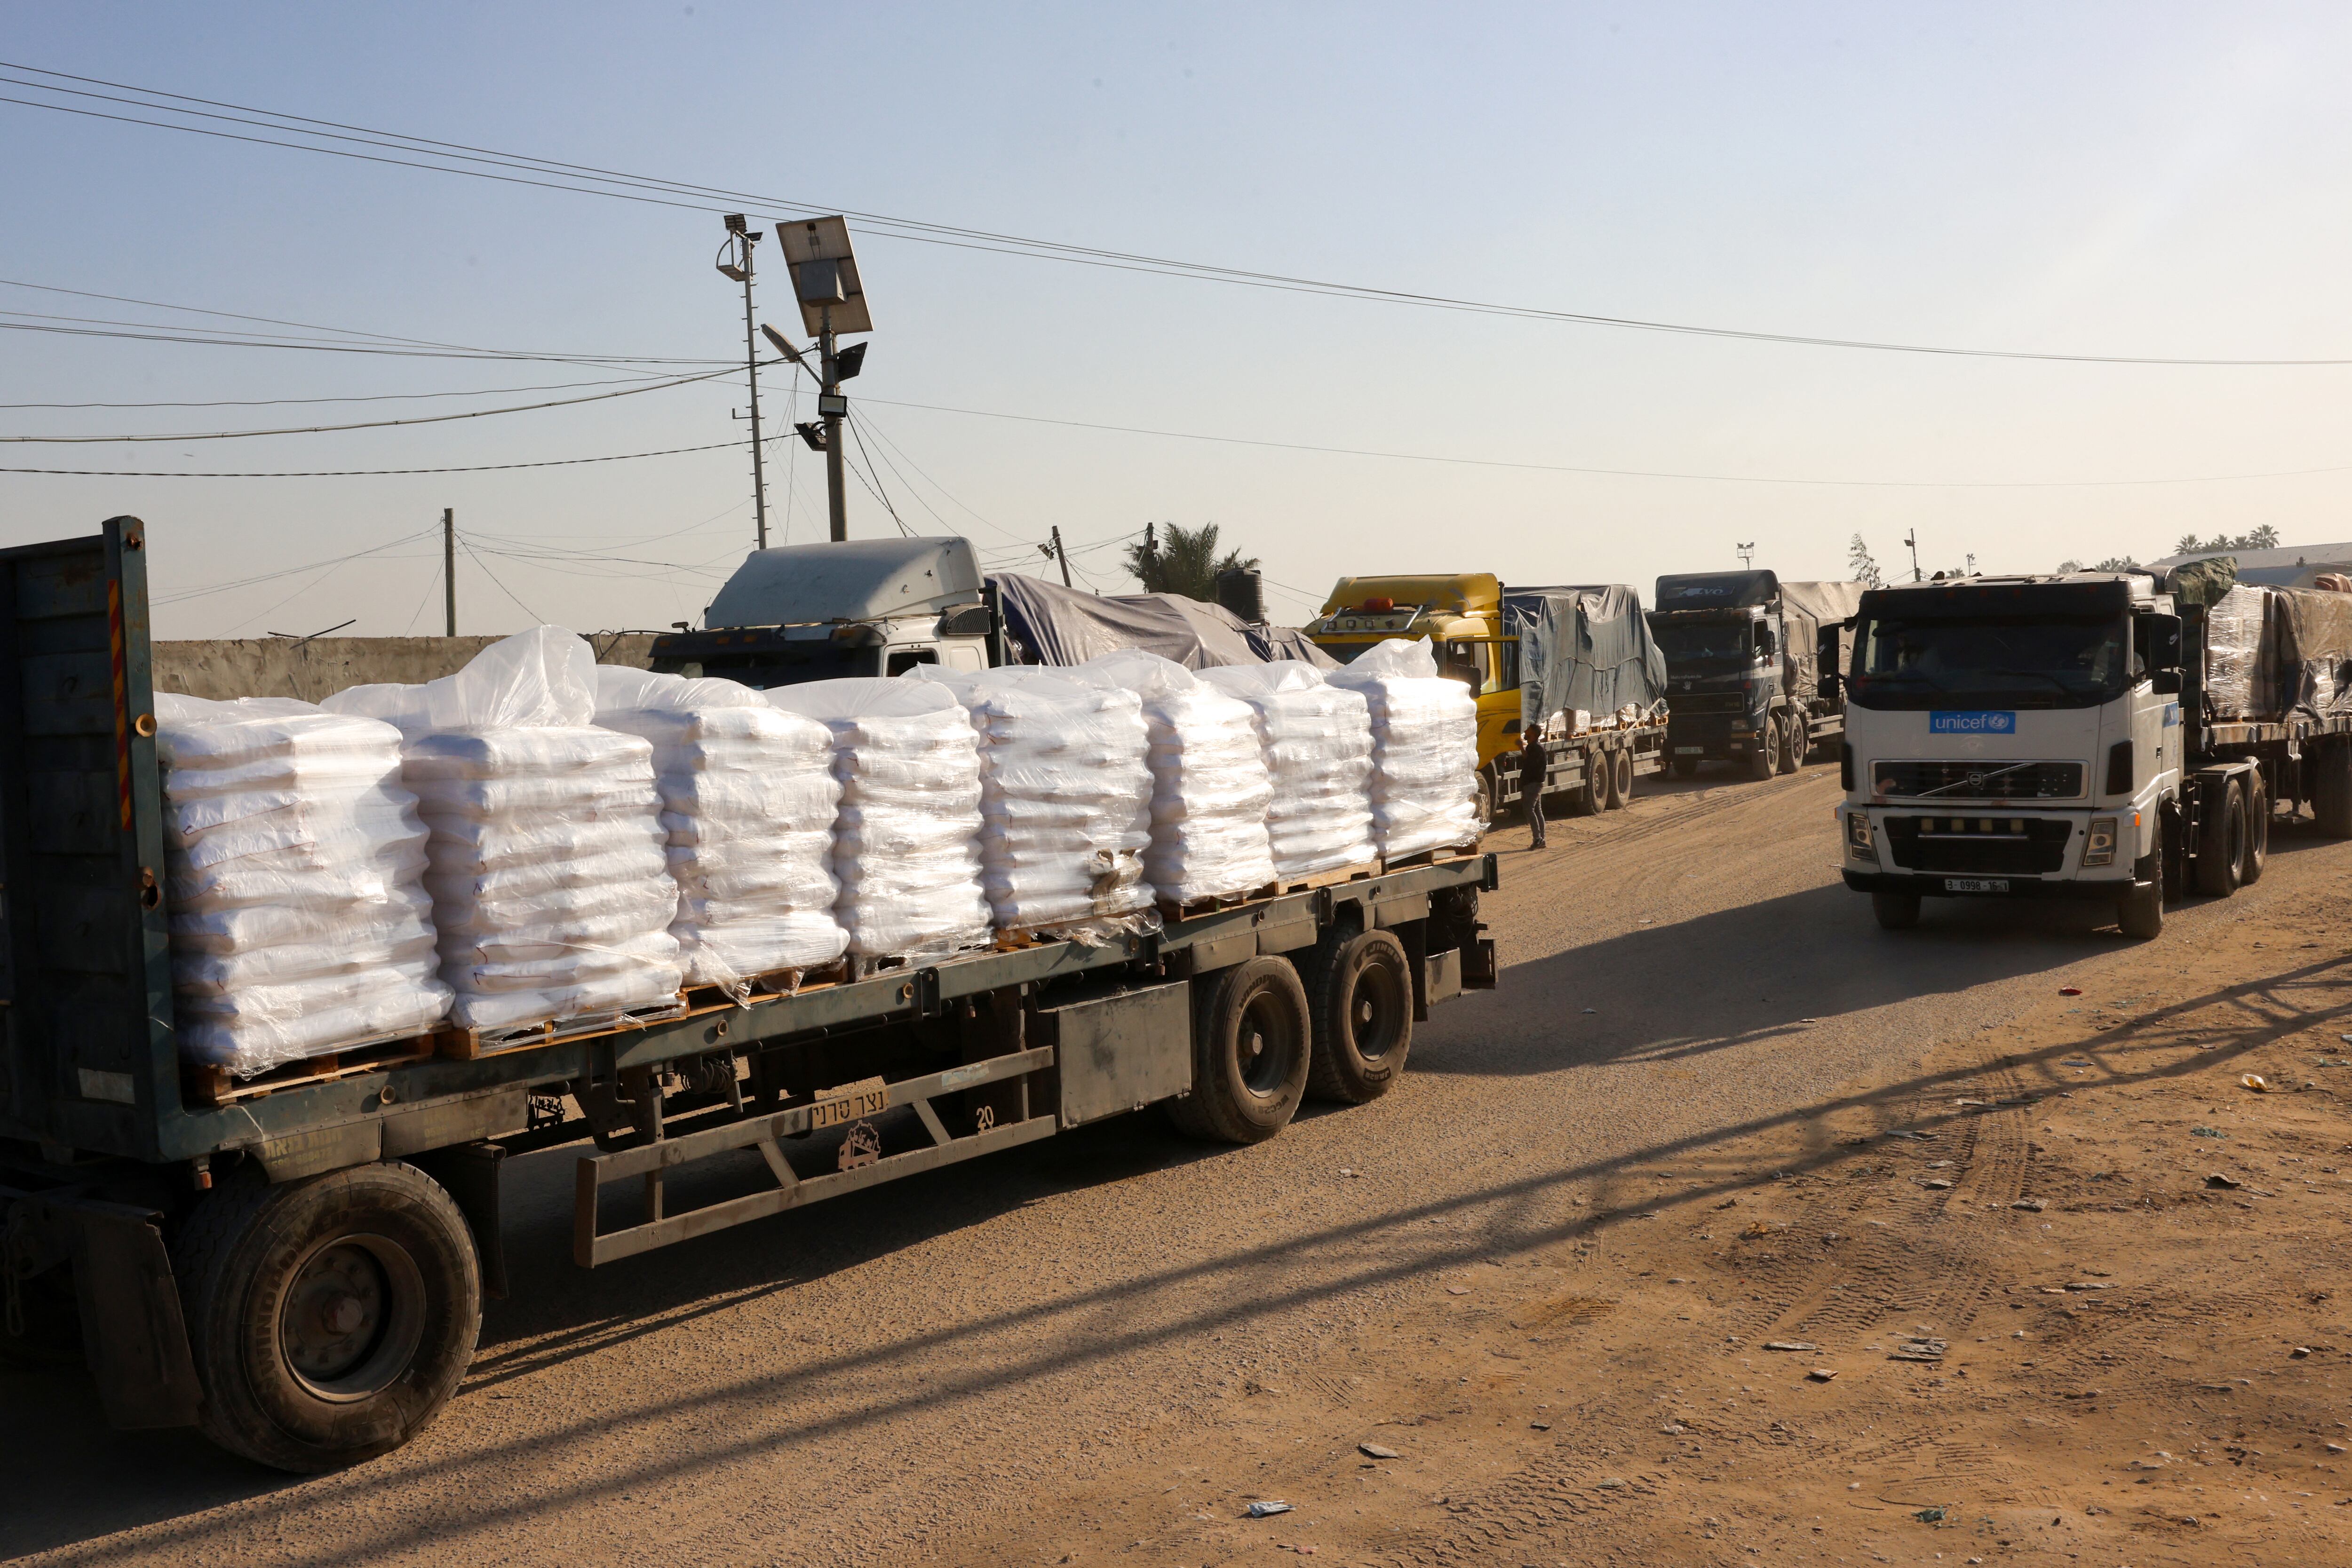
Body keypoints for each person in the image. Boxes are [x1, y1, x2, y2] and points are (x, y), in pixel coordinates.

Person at [1520, 723, 1548, 849]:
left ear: (1534, 735)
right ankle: (1541, 839)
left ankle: (1538, 839)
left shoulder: (1536, 748)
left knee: (1529, 809)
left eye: (1528, 731)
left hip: (1533, 783)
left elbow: (1529, 762)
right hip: (1535, 783)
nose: (1525, 732)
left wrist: (1521, 748)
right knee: (1537, 810)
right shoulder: (1534, 747)